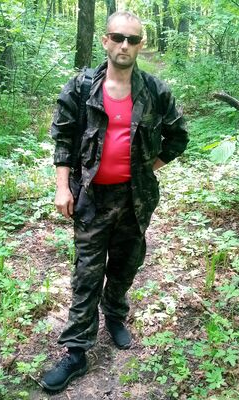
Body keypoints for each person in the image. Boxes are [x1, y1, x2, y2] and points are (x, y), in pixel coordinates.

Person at [40, 11, 189, 392]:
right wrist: (62, 187)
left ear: (140, 45)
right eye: (118, 37)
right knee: (87, 274)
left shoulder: (155, 91)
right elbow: (63, 139)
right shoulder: (81, 87)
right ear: (105, 40)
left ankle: (115, 315)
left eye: (133, 39)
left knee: (125, 265)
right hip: (91, 197)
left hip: (135, 198)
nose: (125, 45)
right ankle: (76, 351)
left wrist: (145, 167)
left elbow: (178, 138)